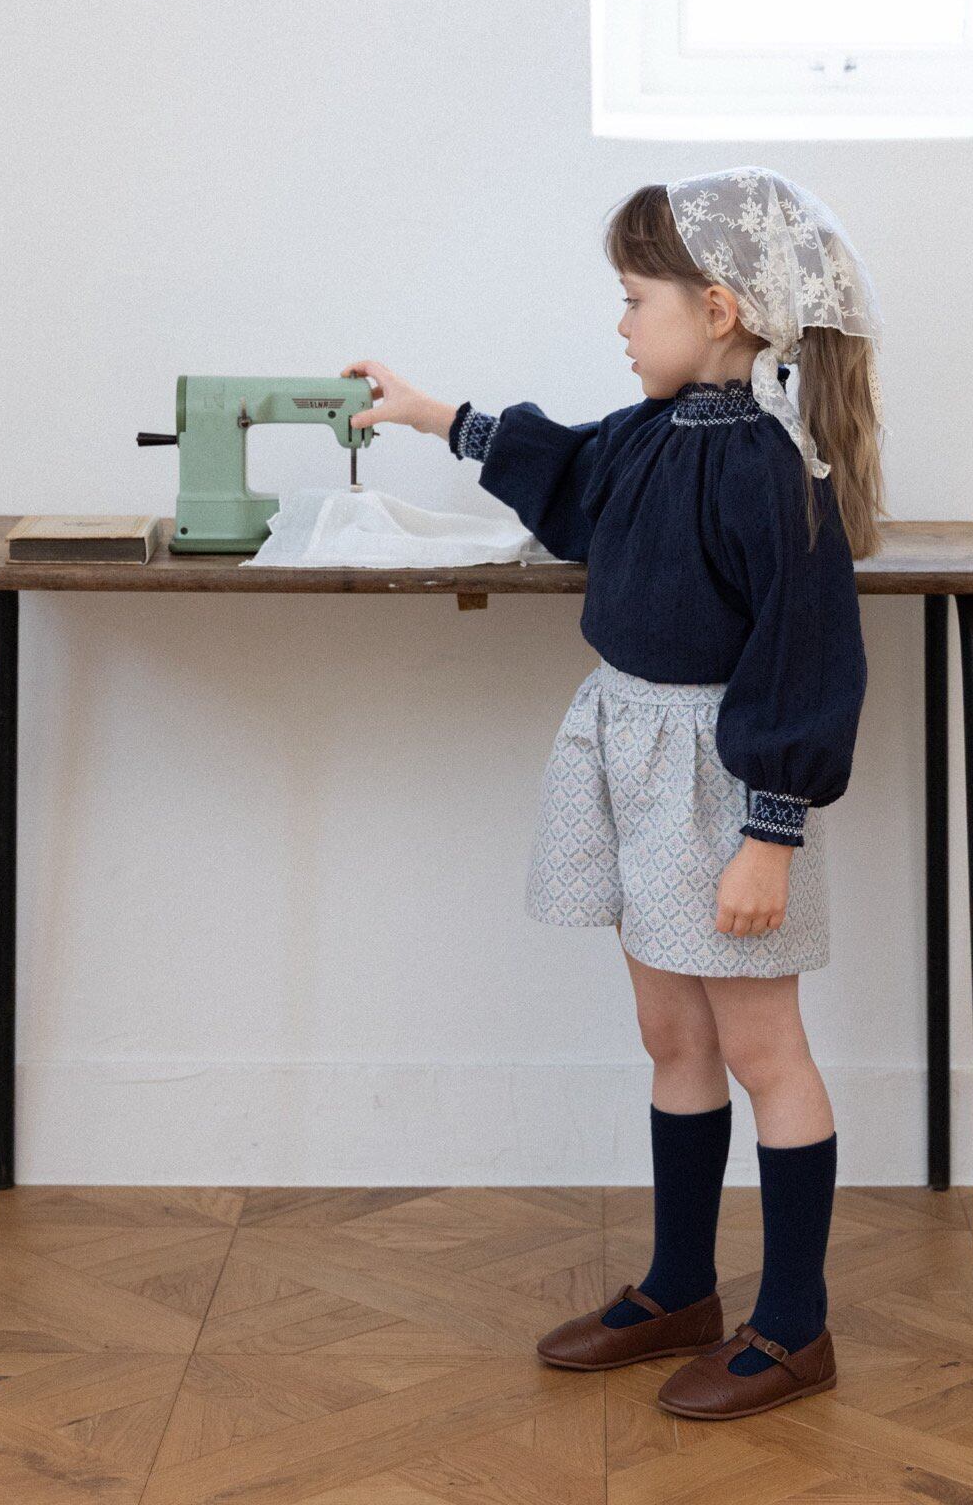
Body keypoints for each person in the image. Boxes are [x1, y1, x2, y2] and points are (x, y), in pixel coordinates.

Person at [339, 165, 887, 1420]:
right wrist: (434, 416)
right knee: (671, 1037)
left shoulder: (771, 466)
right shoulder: (648, 431)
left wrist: (768, 833)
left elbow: (805, 655)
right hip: (627, 751)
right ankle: (680, 1287)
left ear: (718, 309)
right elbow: (574, 476)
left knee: (760, 1048)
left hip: (718, 782)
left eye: (636, 298)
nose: (620, 322)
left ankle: (792, 1327)